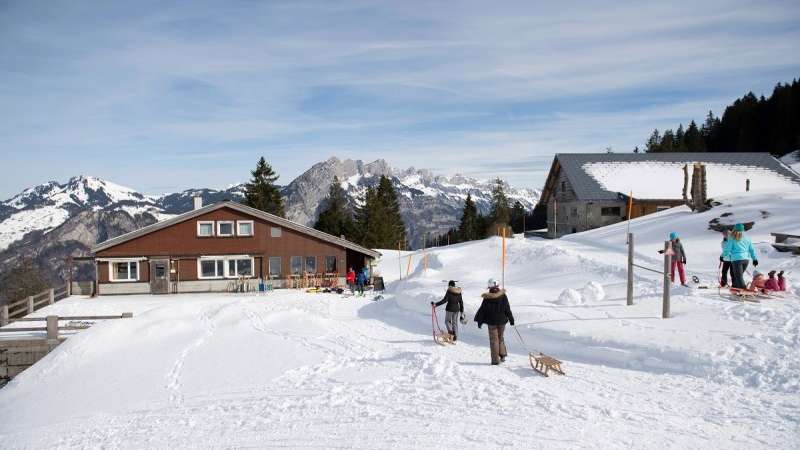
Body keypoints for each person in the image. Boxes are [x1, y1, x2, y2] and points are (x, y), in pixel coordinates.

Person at [474, 279, 515, 365]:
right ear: (497, 286)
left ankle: (495, 360)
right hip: (502, 321)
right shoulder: (503, 296)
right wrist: (511, 319)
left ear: (490, 287)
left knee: (494, 341)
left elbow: (482, 310)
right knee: (501, 338)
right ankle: (502, 355)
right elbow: (507, 308)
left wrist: (479, 321)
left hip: (492, 322)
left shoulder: (487, 298)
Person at [724, 223, 758, 289]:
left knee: (739, 277)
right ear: (743, 229)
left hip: (736, 260)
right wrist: (754, 259)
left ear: (734, 229)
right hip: (746, 260)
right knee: (738, 276)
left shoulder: (732, 237)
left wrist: (723, 256)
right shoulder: (747, 238)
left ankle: (743, 290)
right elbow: (751, 249)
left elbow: (727, 249)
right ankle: (734, 287)